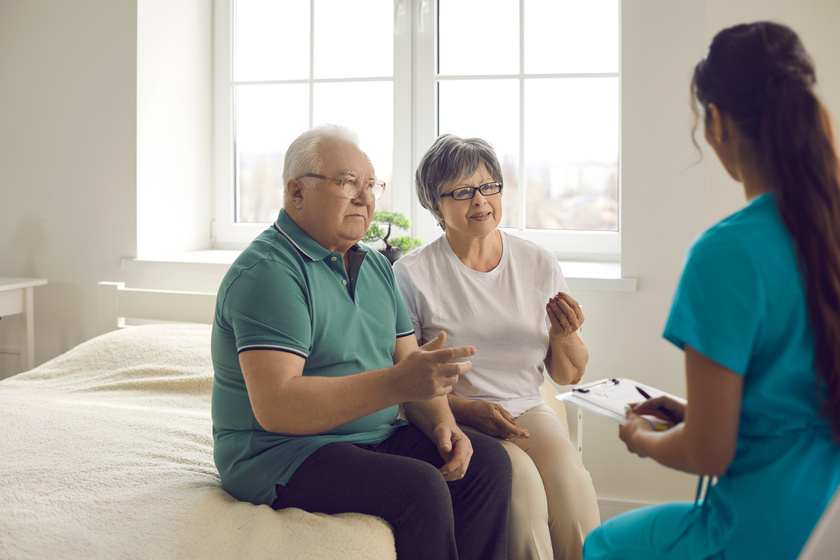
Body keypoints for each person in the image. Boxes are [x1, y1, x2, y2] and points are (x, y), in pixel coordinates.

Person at [583, 21, 840, 560]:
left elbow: (708, 451)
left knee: (605, 543)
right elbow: (794, 403)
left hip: (764, 531)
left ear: (717, 120)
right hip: (828, 516)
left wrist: (642, 439)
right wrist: (690, 410)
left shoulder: (727, 253)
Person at [210, 124, 512, 560]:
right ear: (296, 192)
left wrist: (443, 424)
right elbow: (277, 406)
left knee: (487, 464)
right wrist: (397, 384)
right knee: (421, 487)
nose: (364, 197)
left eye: (370, 185)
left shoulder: (375, 266)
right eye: (347, 182)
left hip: (371, 434)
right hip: (281, 453)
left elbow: (412, 366)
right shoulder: (269, 273)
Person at [392, 133, 601, 560]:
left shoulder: (538, 262)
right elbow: (407, 381)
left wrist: (564, 335)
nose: (481, 200)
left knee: (571, 485)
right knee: (522, 492)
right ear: (436, 206)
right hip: (459, 413)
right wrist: (468, 411)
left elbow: (568, 374)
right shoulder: (411, 274)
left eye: (489, 186)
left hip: (526, 406)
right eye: (464, 191)